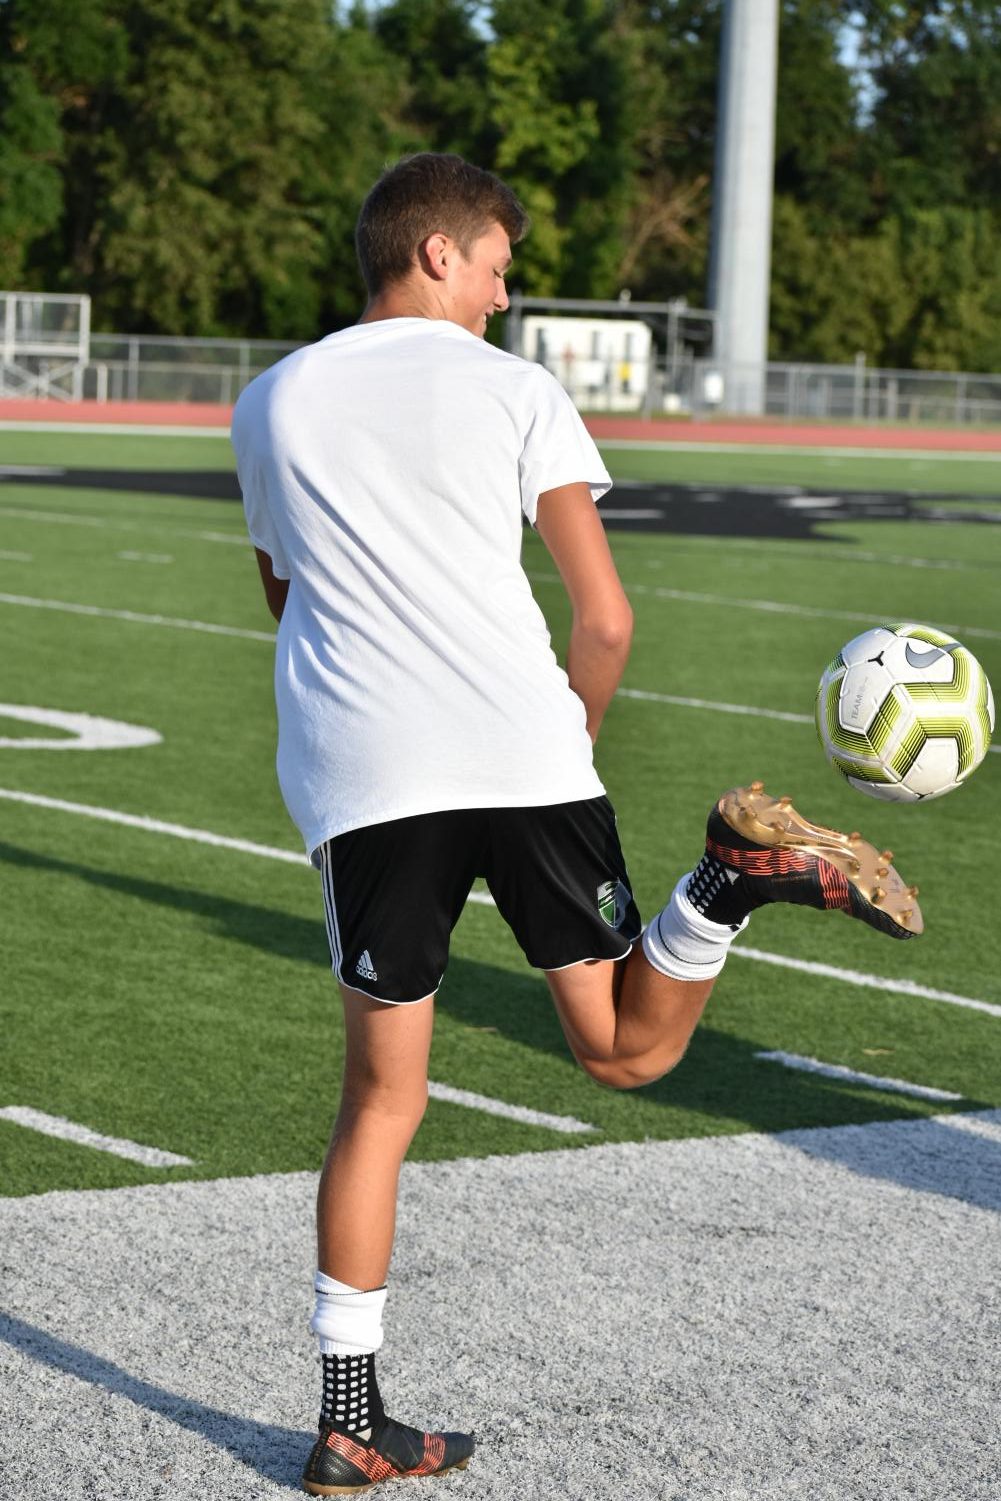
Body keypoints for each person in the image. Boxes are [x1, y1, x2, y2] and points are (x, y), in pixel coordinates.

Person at [231, 152, 921, 1496]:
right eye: (494, 262)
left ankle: (346, 1420)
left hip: (362, 773)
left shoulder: (275, 396)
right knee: (617, 1050)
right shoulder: (514, 391)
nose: (500, 291)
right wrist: (567, 740)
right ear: (435, 251)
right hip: (520, 746)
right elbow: (602, 618)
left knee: (379, 1101)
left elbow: (284, 594)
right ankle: (725, 883)